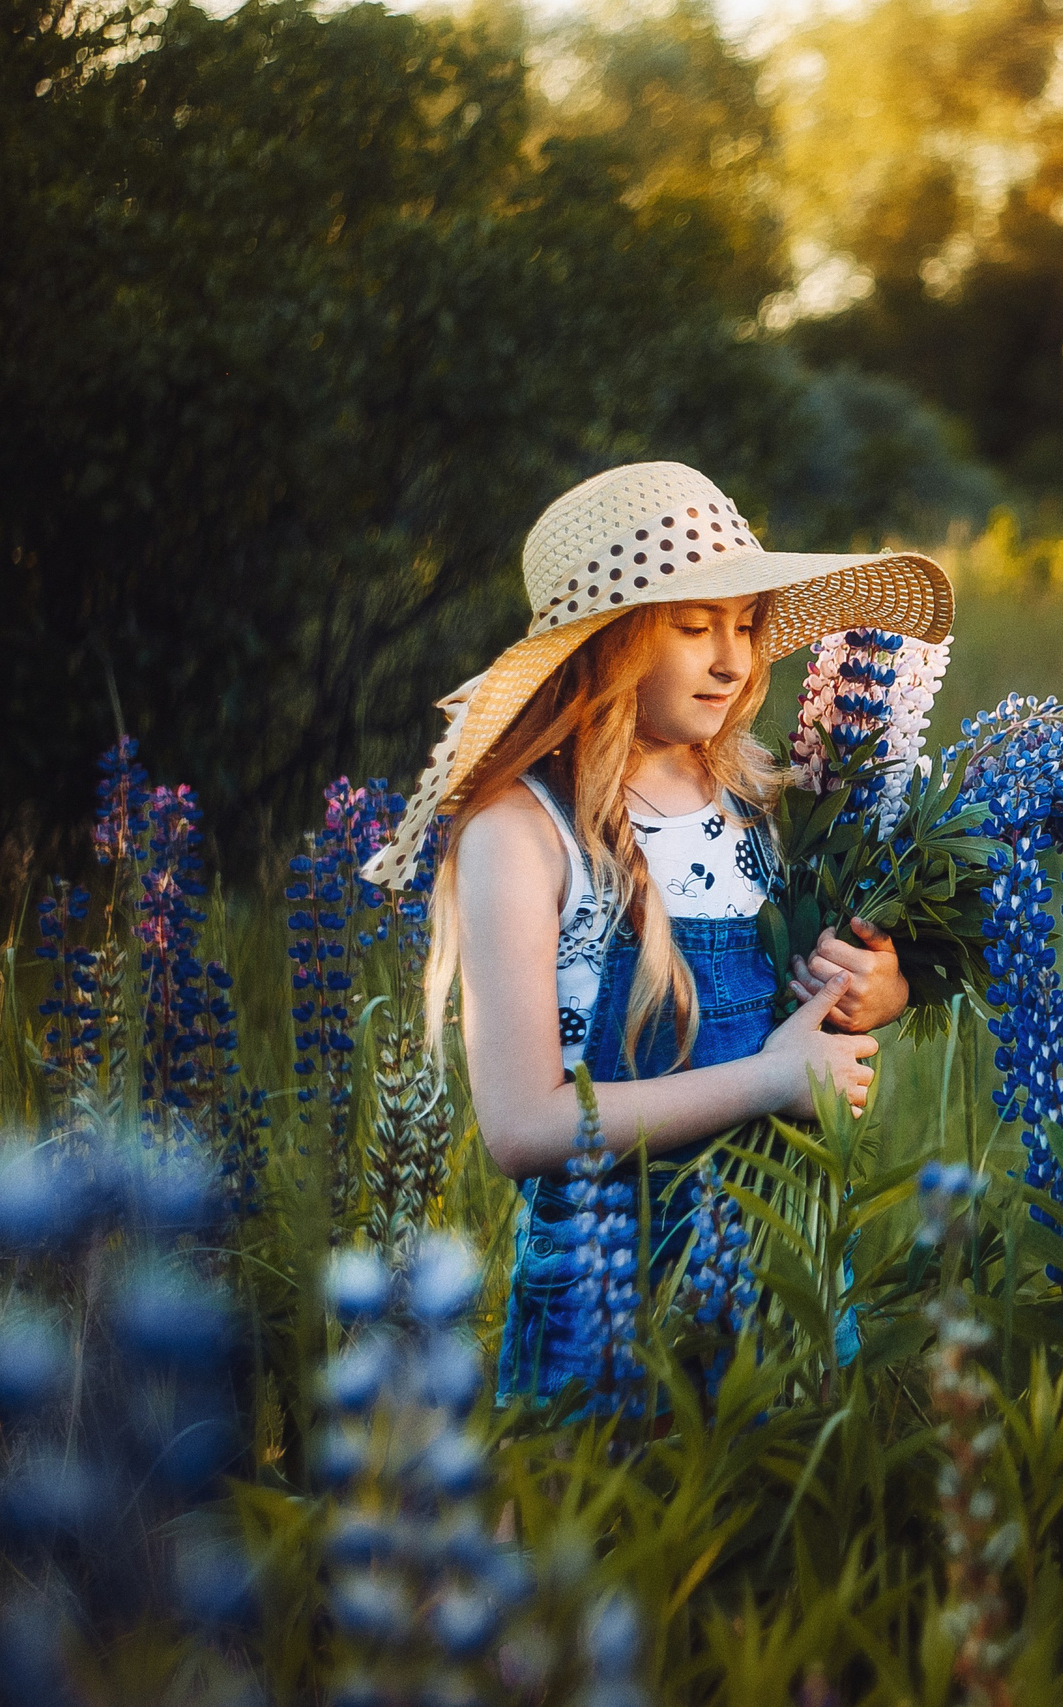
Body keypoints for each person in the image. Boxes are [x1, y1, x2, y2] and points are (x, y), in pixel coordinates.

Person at [359, 460, 953, 1409]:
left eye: (750, 625)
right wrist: (767, 1080)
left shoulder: (760, 794)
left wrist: (875, 988)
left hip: (784, 1264)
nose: (734, 658)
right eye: (692, 626)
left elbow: (811, 993)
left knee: (780, 1548)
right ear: (606, 644)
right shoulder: (523, 831)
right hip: (608, 1291)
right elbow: (519, 1127)